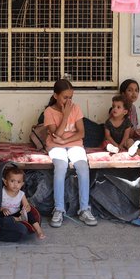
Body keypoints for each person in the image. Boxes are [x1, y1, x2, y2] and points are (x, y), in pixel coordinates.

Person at [44, 78, 98, 228]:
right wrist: (66, 115)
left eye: (71, 97)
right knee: (60, 166)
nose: (68, 101)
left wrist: (64, 142)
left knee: (82, 166)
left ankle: (84, 209)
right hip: (56, 145)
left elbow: (81, 133)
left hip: (72, 144)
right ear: (56, 96)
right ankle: (59, 209)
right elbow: (57, 134)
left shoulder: (76, 108)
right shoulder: (49, 112)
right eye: (65, 97)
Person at [0, 167, 46, 239]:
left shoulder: (21, 194)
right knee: (0, 218)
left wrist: (27, 208)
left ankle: (39, 230)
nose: (15, 184)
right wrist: (2, 209)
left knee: (30, 213)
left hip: (17, 213)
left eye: (18, 182)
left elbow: (26, 205)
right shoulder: (2, 192)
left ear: (22, 184)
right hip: (5, 214)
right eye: (12, 181)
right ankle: (18, 219)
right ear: (5, 182)